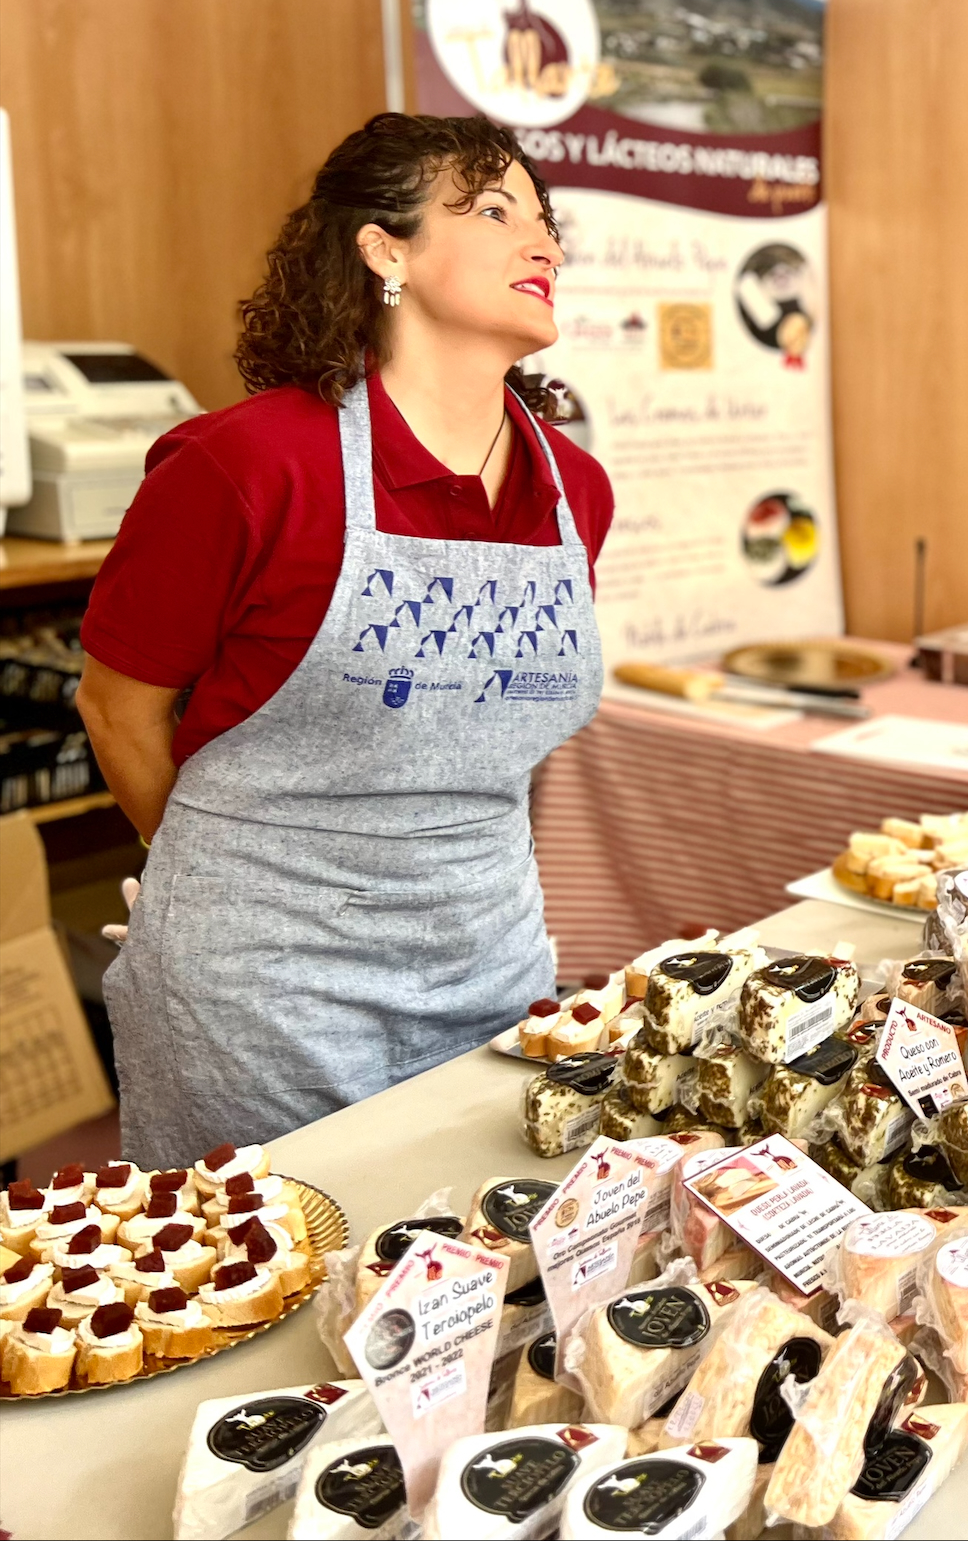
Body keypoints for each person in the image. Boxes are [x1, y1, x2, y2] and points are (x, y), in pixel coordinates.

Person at [76, 114, 613, 1167]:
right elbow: (116, 704)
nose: (544, 245)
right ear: (385, 248)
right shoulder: (246, 467)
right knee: (269, 1282)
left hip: (492, 970)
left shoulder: (571, 491)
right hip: (264, 999)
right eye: (497, 211)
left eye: (546, 223)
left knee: (475, 1281)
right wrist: (218, 882)